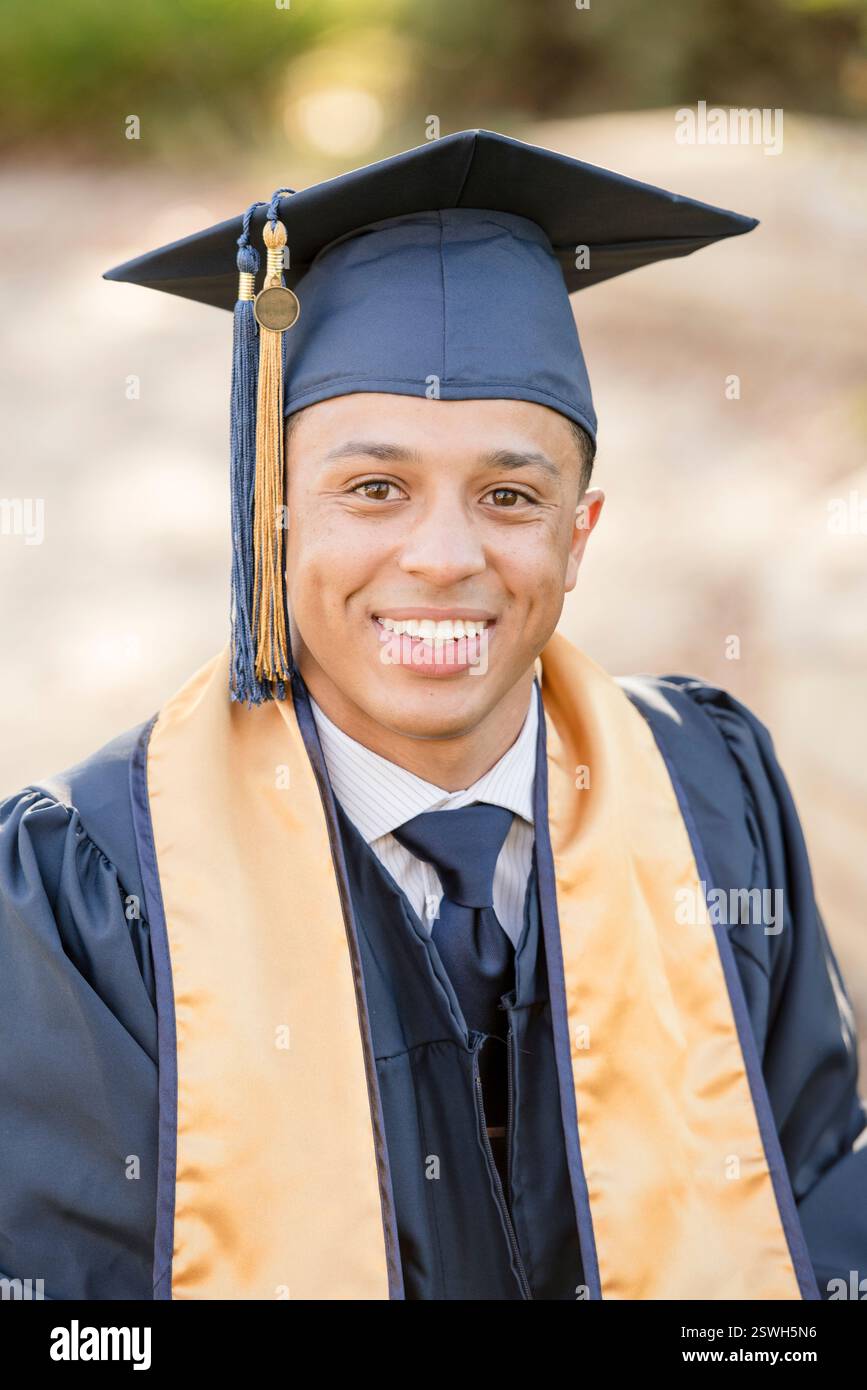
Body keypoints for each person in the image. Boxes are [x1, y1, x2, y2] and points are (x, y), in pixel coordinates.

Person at [1, 128, 864, 1301]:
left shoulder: (711, 792)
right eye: (374, 489)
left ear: (581, 536)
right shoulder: (92, 889)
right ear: (275, 513)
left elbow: (811, 1193)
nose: (446, 555)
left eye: (511, 496)